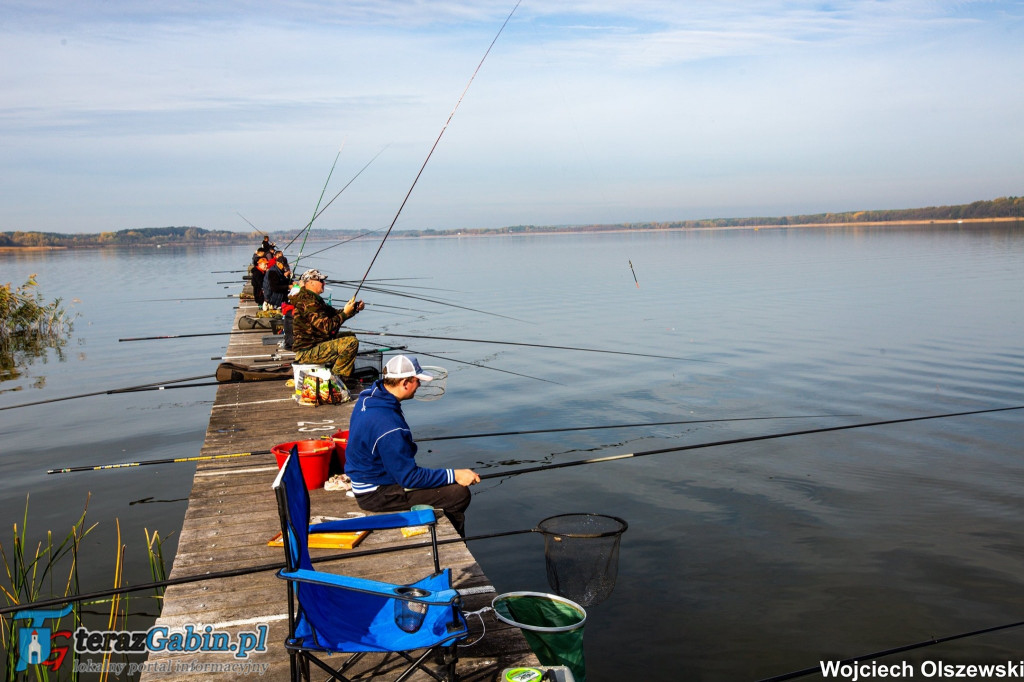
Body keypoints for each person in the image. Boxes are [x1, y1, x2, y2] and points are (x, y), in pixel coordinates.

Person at [346, 355, 480, 536]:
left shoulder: (369, 397)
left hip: (365, 478)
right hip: (375, 494)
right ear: (404, 383)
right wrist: (455, 474)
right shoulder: (390, 427)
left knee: (441, 482)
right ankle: (450, 539)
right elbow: (409, 478)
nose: (419, 385)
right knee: (458, 494)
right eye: (417, 381)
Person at [290, 269, 364, 378]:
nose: (324, 283)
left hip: (317, 343)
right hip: (308, 351)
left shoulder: (314, 299)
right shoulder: (308, 302)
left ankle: (340, 374)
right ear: (311, 282)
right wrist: (344, 314)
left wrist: (354, 308)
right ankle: (338, 380)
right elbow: (326, 327)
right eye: (321, 280)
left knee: (350, 335)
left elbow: (334, 314)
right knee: (351, 343)